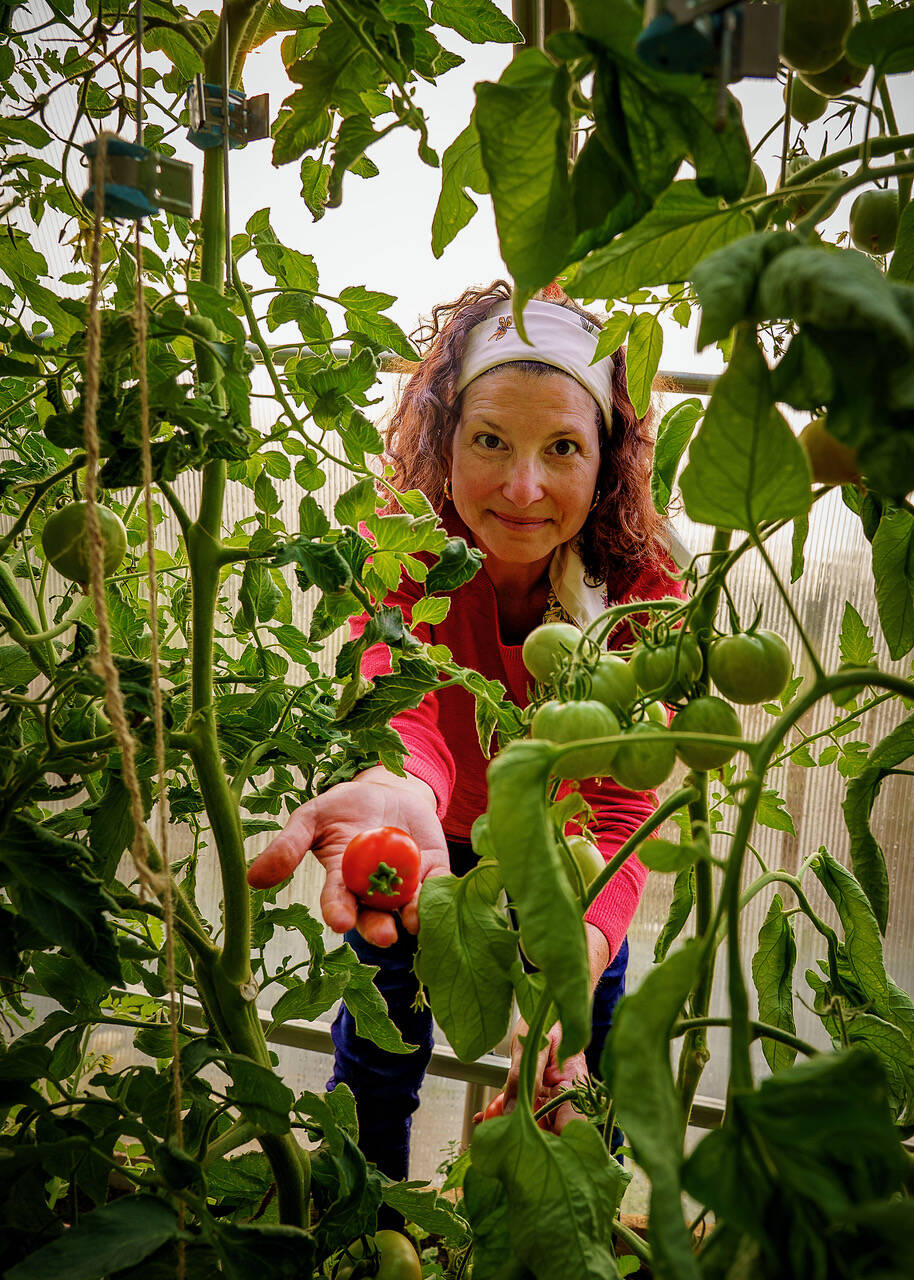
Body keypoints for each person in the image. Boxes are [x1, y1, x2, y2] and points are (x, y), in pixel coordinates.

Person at [247, 280, 685, 1182]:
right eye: (490, 440)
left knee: (578, 1079)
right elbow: (404, 698)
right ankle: (370, 1228)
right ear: (445, 440)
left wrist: (576, 961)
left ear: (605, 460)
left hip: (572, 861)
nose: (523, 488)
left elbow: (621, 809)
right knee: (378, 1057)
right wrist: (400, 786)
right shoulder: (405, 545)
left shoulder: (644, 594)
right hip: (419, 842)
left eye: (562, 447)